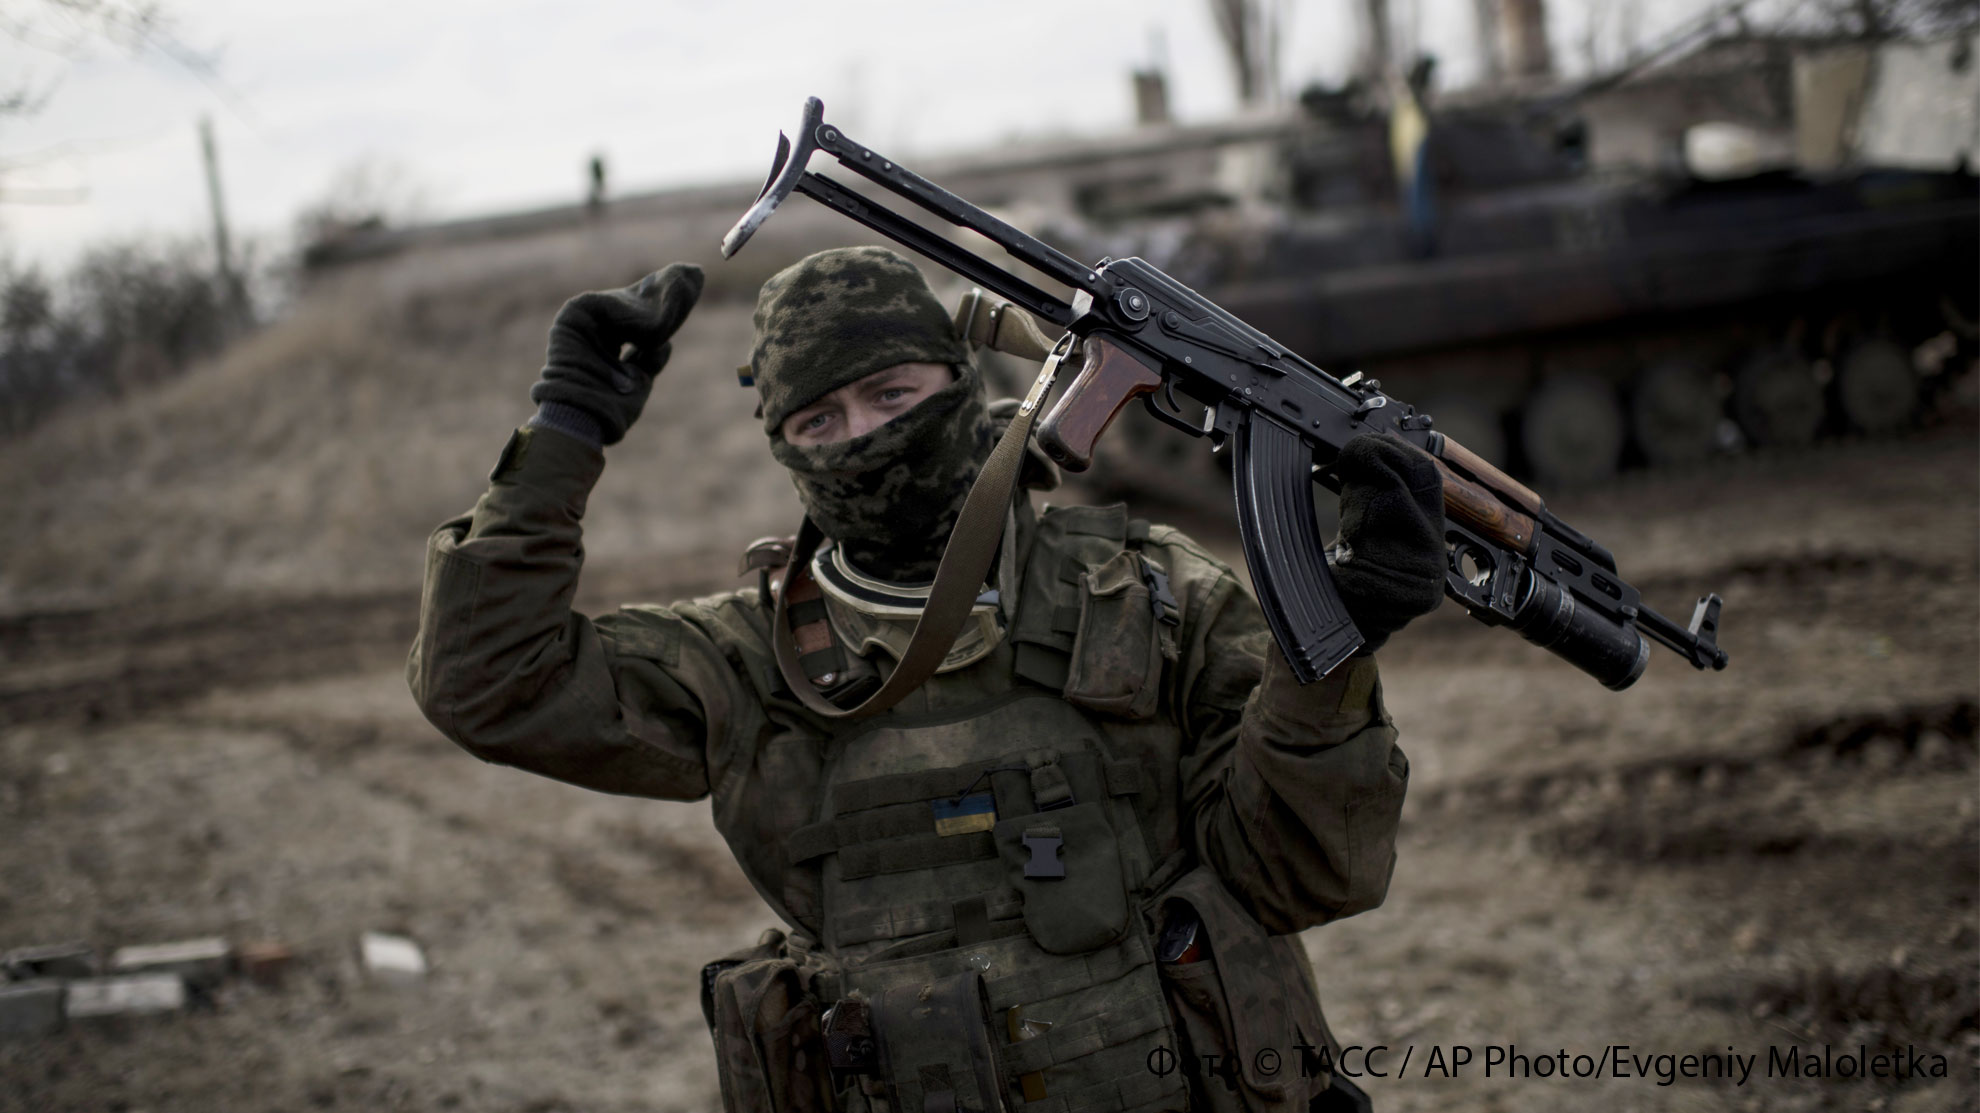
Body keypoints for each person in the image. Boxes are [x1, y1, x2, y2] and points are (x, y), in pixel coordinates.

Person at [408, 246, 1449, 1113]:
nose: (864, 436)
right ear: (784, 448)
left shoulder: (1157, 594)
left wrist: (1329, 654)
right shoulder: (742, 663)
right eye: (820, 422)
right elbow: (486, 681)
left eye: (893, 394)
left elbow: (1306, 877)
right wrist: (567, 426)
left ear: (966, 388)